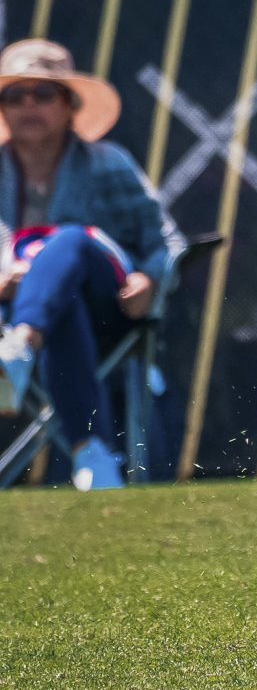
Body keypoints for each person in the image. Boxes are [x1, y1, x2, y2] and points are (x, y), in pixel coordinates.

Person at [0, 41, 180, 490]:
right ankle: (93, 455)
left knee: (70, 239)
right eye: (13, 95)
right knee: (61, 306)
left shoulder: (109, 163)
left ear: (69, 106)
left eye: (43, 93)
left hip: (109, 305)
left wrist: (150, 280)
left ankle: (18, 351)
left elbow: (166, 240)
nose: (28, 106)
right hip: (23, 308)